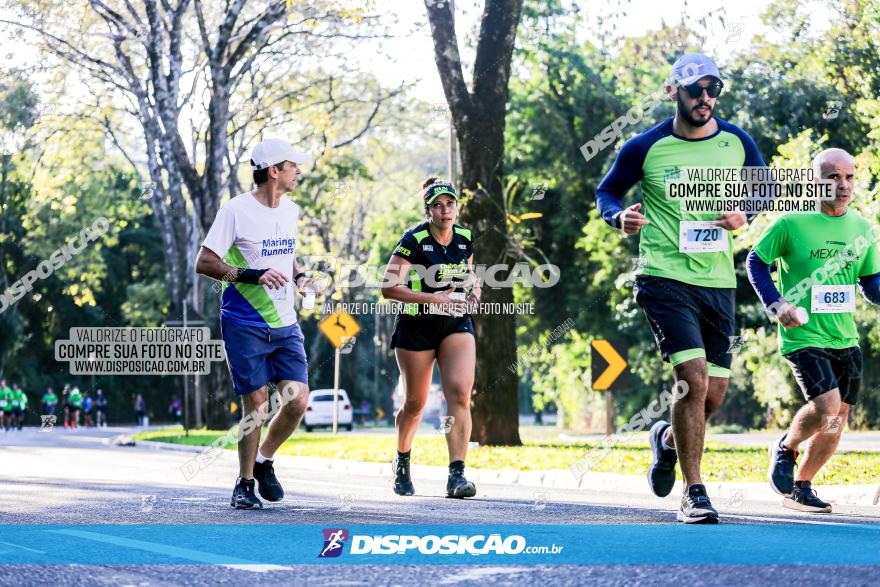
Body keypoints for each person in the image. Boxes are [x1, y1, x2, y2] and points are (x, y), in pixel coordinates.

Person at [594, 53, 766, 523]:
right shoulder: (644, 147)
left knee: (712, 395)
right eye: (695, 90)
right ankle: (695, 492)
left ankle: (666, 440)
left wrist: (745, 213)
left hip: (717, 282)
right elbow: (607, 192)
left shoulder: (736, 142)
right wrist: (618, 216)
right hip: (663, 277)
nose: (705, 98)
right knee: (691, 381)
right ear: (673, 93)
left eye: (713, 89)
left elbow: (764, 185)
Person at [747, 148, 880, 512]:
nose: (843, 185)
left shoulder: (863, 229)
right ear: (814, 180)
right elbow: (756, 262)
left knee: (838, 421)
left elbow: (870, 284)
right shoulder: (791, 224)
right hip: (802, 335)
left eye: (850, 177)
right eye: (833, 177)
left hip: (845, 337)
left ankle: (802, 485)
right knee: (828, 408)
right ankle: (786, 447)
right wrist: (777, 304)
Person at [196, 138, 323, 510]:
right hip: (244, 320)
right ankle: (245, 482)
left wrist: (300, 280)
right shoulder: (235, 211)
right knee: (256, 403)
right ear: (274, 171)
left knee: (298, 400)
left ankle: (264, 460)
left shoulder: (292, 211)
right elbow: (205, 262)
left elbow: (287, 258)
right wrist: (253, 275)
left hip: (284, 322)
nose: (298, 172)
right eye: (292, 166)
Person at [381, 177, 481, 499]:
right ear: (428, 210)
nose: (445, 210)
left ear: (456, 206)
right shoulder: (413, 239)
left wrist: (475, 290)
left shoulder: (464, 237)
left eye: (450, 204)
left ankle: (457, 475)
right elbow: (389, 288)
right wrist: (432, 299)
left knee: (459, 393)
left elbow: (469, 272)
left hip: (454, 322)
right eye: (437, 205)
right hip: (417, 327)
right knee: (415, 403)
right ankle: (402, 460)